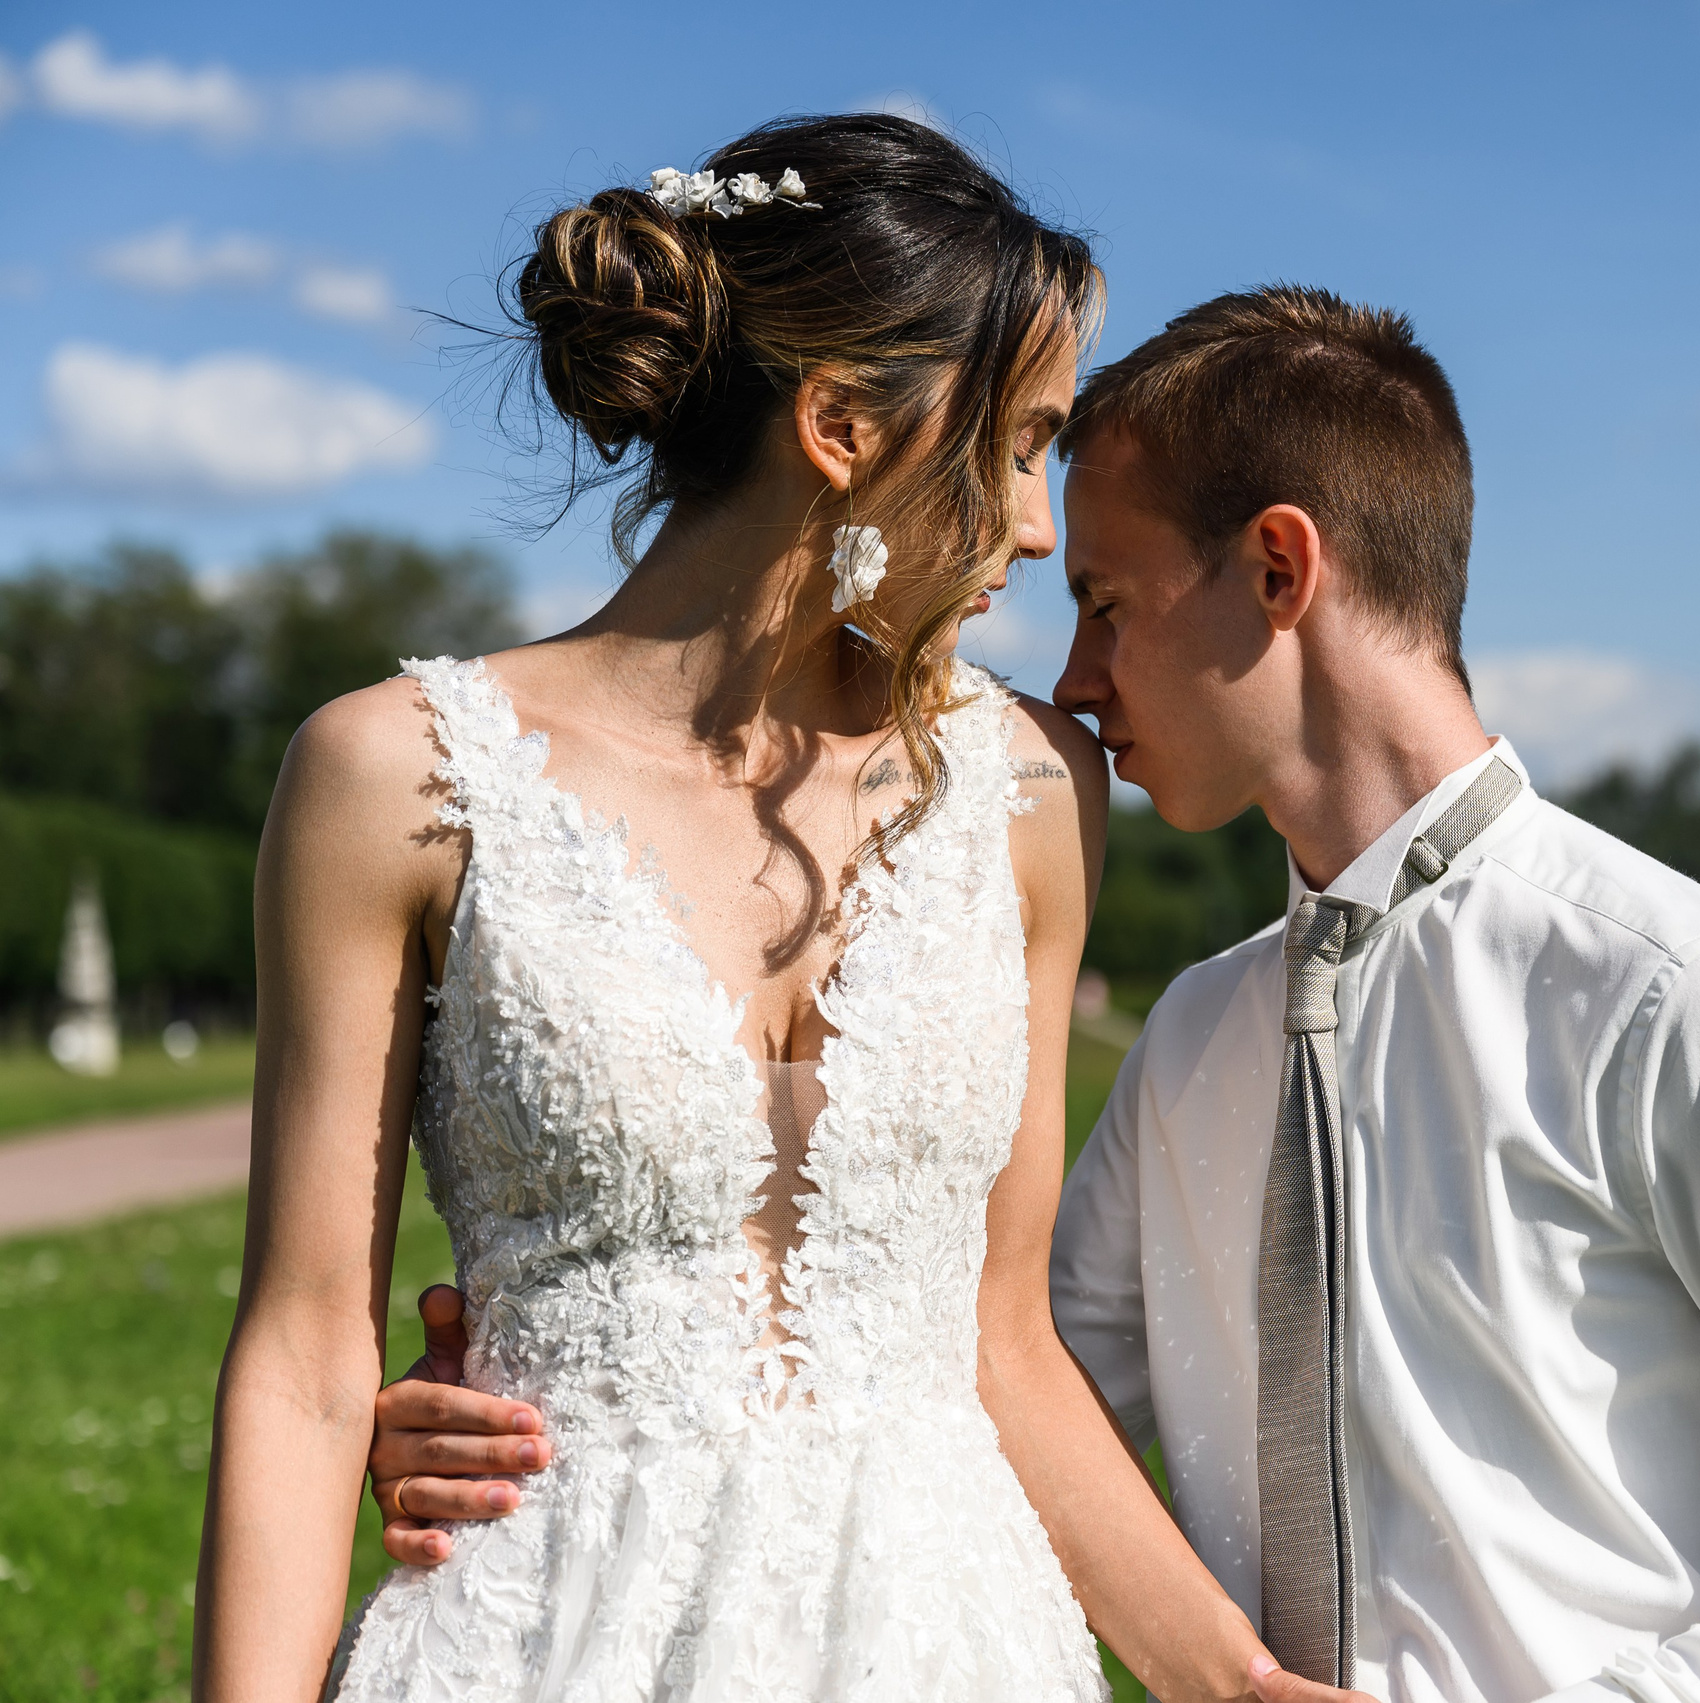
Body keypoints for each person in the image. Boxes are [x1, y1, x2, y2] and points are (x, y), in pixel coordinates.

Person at [366, 286, 1700, 1703]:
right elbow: (956, 1380)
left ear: (1280, 571)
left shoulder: (1683, 995)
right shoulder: (1197, 1042)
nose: (1072, 685)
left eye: (1107, 605)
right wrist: (544, 1406)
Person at [193, 113, 1266, 1703]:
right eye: (1022, 444)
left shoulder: (1033, 792)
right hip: (542, 1641)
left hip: (949, 1643)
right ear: (843, 424)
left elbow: (1001, 1342)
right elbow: (302, 1354)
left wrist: (1240, 1686)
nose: (1040, 528)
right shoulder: (394, 776)